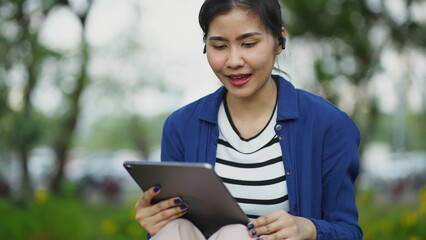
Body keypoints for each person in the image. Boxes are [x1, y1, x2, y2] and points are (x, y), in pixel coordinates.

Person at [134, 0, 363, 239]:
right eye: (220, 46)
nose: (234, 61)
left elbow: (348, 231)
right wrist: (157, 222)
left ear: (279, 40)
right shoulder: (180, 127)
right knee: (174, 228)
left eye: (249, 44)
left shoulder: (329, 125)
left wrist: (309, 228)